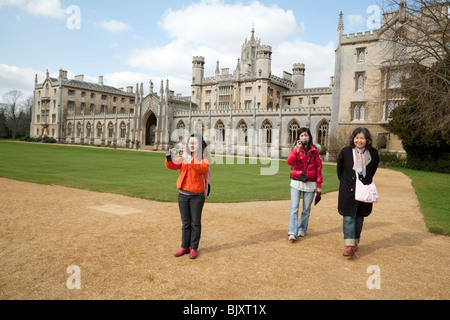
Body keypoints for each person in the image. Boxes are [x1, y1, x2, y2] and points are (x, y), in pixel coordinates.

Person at [165, 134, 210, 259]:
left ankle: (193, 248)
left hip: (197, 196)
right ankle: (184, 246)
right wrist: (169, 157)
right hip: (183, 195)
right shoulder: (185, 157)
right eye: (190, 143)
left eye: (194, 143)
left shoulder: (204, 158)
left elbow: (200, 168)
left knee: (195, 223)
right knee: (185, 223)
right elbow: (173, 166)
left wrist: (188, 158)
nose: (192, 145)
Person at [337, 127, 379, 256]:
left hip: (364, 189)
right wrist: (347, 183)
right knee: (348, 217)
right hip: (348, 189)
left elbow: (373, 170)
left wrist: (364, 182)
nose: (359, 140)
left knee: (359, 217)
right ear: (353, 139)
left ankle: (355, 242)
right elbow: (340, 170)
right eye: (357, 137)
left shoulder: (373, 153)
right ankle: (349, 245)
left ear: (367, 140)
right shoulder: (346, 152)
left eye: (362, 138)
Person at [286, 128, 323, 241]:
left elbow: (318, 167)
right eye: (302, 135)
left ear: (309, 137)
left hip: (310, 182)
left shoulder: (314, 150)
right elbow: (289, 162)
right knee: (294, 208)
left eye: (306, 135)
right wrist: (296, 150)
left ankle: (301, 229)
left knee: (306, 209)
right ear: (298, 138)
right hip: (296, 181)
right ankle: (292, 232)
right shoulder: (295, 149)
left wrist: (319, 184)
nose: (304, 137)